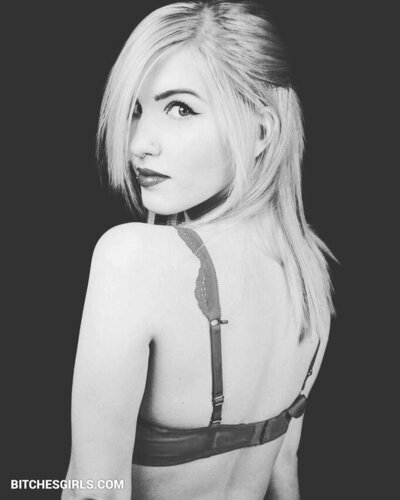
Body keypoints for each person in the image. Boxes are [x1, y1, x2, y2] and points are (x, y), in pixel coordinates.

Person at [62, 1, 334, 499]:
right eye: (136, 110)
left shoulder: (131, 258)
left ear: (261, 132)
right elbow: (284, 471)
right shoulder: (309, 275)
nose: (138, 143)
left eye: (181, 108)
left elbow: (93, 490)